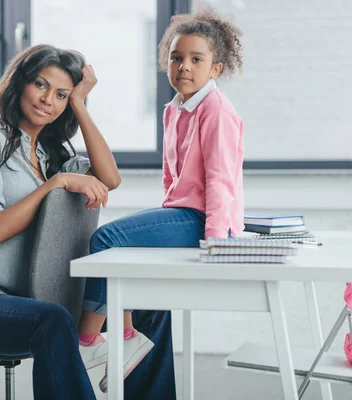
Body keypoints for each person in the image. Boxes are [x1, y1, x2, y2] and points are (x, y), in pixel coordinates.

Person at [0, 44, 121, 399]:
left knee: (145, 306)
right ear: (21, 83)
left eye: (61, 94)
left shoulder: (54, 154)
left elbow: (109, 179)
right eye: (41, 84)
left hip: (31, 299)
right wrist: (56, 184)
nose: (48, 99)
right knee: (53, 320)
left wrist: (79, 104)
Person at [77, 6, 245, 397]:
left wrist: (216, 241)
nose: (184, 66)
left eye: (196, 59)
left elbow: (220, 179)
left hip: (201, 220)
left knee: (105, 241)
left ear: (216, 69)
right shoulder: (175, 109)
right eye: (176, 57)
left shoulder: (215, 110)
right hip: (181, 212)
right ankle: (127, 337)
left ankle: (89, 343)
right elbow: (172, 177)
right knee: (125, 256)